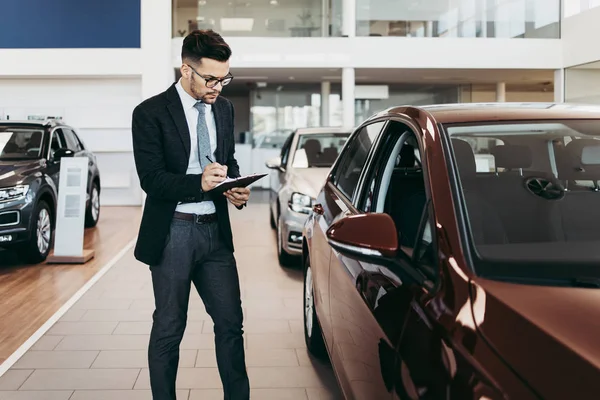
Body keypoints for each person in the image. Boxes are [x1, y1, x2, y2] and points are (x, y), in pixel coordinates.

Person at [131, 29, 251, 400]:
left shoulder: (225, 109)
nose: (218, 86)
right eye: (210, 78)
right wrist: (198, 183)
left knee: (231, 324)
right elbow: (152, 180)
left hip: (215, 233)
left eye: (224, 78)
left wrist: (233, 186)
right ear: (186, 70)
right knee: (169, 326)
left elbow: (225, 161)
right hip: (173, 233)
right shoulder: (150, 113)